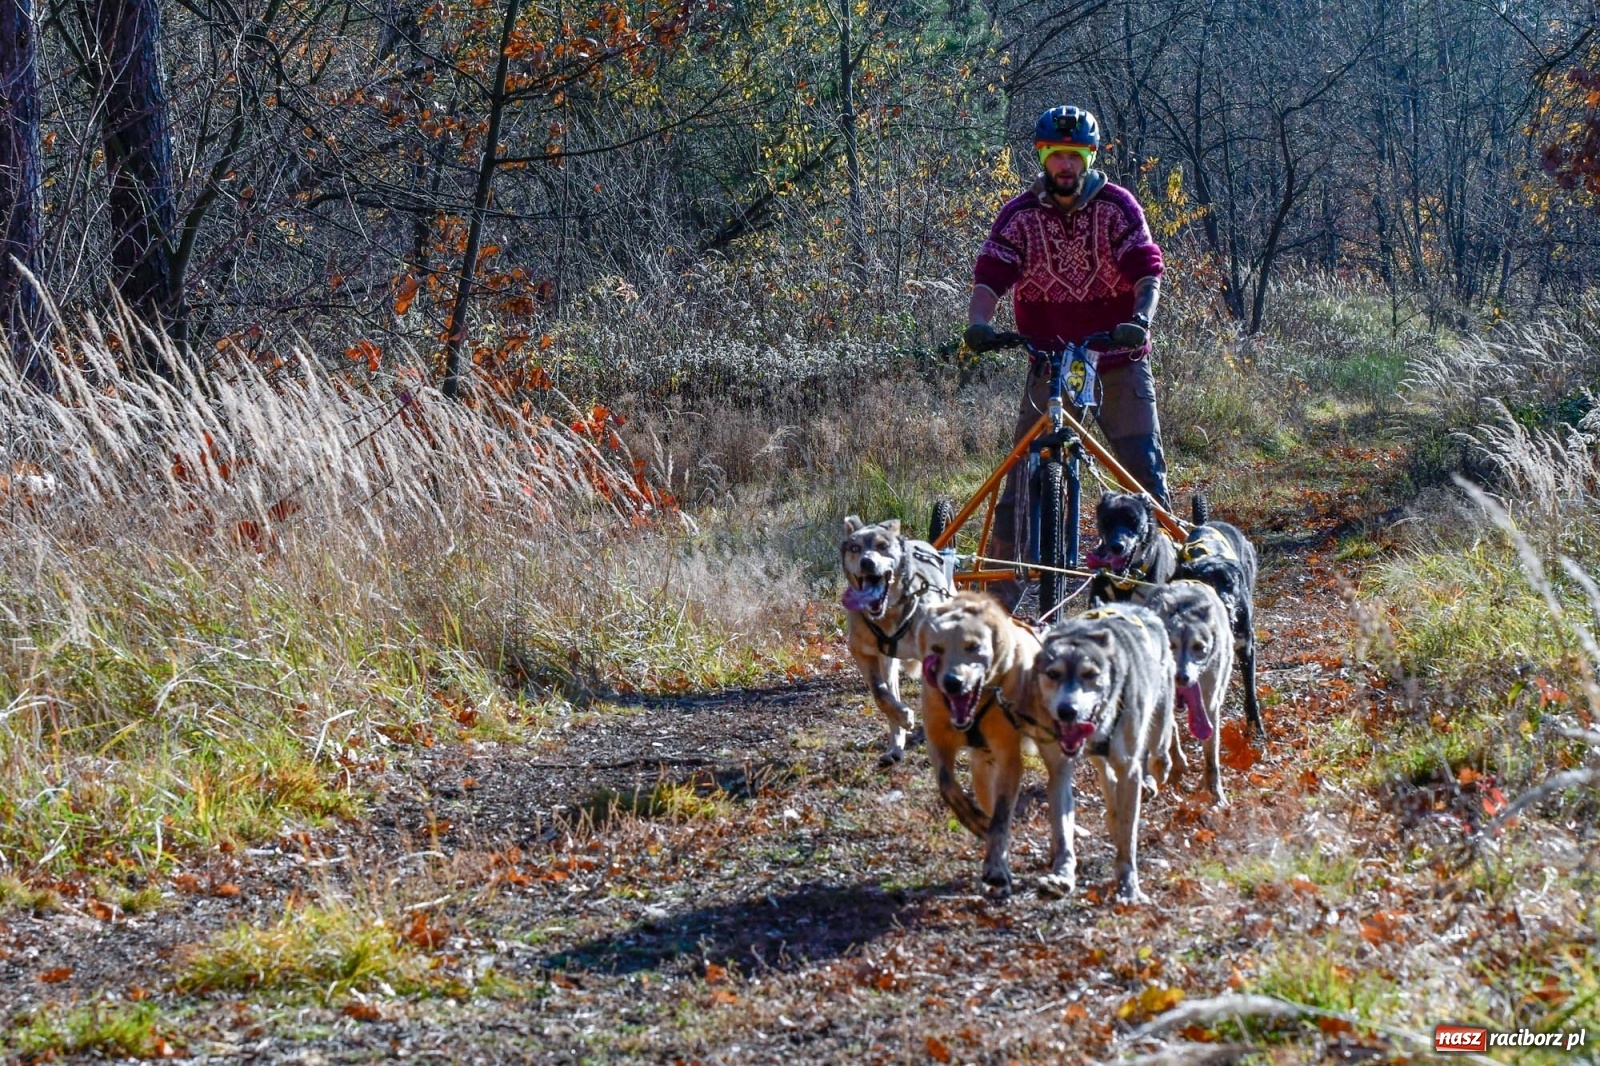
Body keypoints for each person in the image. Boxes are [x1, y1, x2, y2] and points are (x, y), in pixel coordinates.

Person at [964, 105, 1169, 610]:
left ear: (1090, 157)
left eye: (1074, 156)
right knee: (1019, 487)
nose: (1065, 166)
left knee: (1143, 476)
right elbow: (990, 276)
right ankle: (993, 615)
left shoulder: (1117, 207)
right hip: (1051, 365)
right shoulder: (1020, 215)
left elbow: (1147, 270)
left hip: (1117, 359)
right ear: (1042, 157)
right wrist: (979, 323)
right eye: (1056, 156)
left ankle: (1166, 592)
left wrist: (1139, 319)